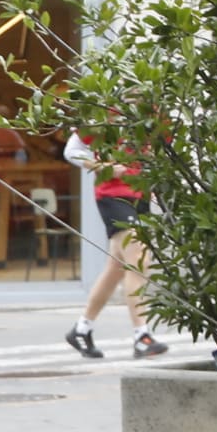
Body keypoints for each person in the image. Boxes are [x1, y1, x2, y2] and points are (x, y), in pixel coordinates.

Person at [64, 132, 167, 360]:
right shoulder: (106, 114)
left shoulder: (154, 112)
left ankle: (82, 329)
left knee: (116, 268)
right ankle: (142, 336)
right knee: (138, 261)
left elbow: (169, 149)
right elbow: (71, 151)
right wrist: (102, 166)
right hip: (113, 195)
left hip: (140, 195)